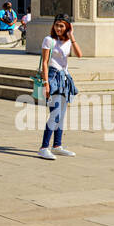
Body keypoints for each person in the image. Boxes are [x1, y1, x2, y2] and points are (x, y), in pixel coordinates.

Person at [38, 16, 80, 160]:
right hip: (53, 77)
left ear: (68, 27)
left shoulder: (67, 41)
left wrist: (72, 36)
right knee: (55, 114)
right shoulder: (48, 40)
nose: (59, 28)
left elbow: (79, 54)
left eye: (62, 26)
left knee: (61, 115)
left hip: (65, 78)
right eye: (57, 25)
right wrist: (46, 83)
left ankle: (57, 145)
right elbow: (44, 62)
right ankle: (44, 147)